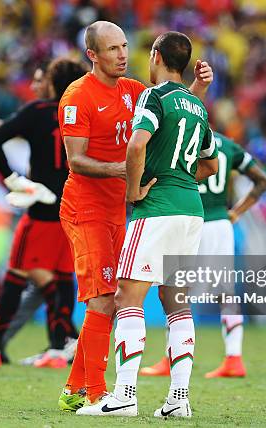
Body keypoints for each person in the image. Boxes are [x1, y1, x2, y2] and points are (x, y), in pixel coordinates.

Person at [57, 21, 213, 412]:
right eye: (112, 49)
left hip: (131, 208)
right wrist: (126, 174)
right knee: (105, 298)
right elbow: (75, 161)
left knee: (119, 297)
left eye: (125, 46)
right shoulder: (77, 95)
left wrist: (196, 91)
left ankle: (89, 390)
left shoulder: (137, 92)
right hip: (88, 207)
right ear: (92, 55)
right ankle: (95, 391)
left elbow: (172, 111)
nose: (123, 55)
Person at [0, 58, 88, 369]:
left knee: (16, 275)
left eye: (43, 79)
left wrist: (13, 178)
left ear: (54, 83)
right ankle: (59, 348)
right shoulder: (85, 114)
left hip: (40, 207)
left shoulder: (38, 113)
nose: (36, 85)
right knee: (62, 276)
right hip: (73, 207)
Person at [139, 132, 266, 379]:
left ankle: (171, 358)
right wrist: (236, 212)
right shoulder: (228, 146)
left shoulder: (178, 139)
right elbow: (262, 180)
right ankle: (234, 358)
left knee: (174, 289)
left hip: (187, 217)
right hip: (220, 224)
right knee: (225, 292)